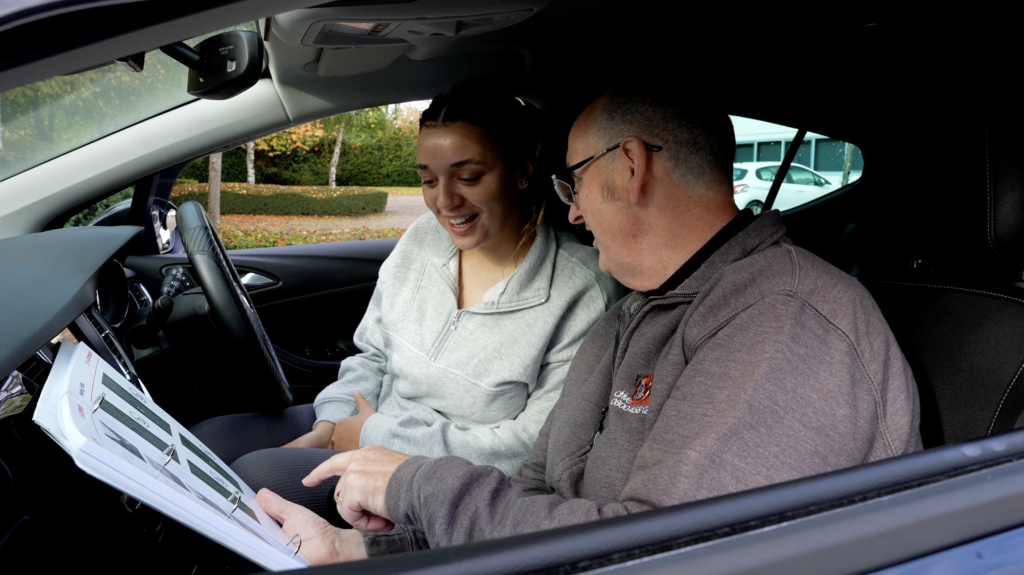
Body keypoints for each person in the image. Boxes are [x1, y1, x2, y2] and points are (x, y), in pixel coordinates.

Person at [255, 86, 923, 562]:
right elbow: (532, 498)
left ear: (630, 166)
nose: (570, 213)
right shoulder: (632, 315)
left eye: (573, 182)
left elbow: (662, 548)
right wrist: (362, 547)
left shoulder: (784, 323)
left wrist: (414, 483)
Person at [189, 81, 621, 520]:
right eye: (428, 180)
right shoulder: (422, 239)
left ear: (521, 171)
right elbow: (373, 353)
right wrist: (329, 423)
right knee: (204, 442)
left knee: (253, 478)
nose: (445, 201)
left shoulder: (582, 290)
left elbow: (528, 447)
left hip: (440, 475)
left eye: (468, 177)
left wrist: (375, 436)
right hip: (361, 420)